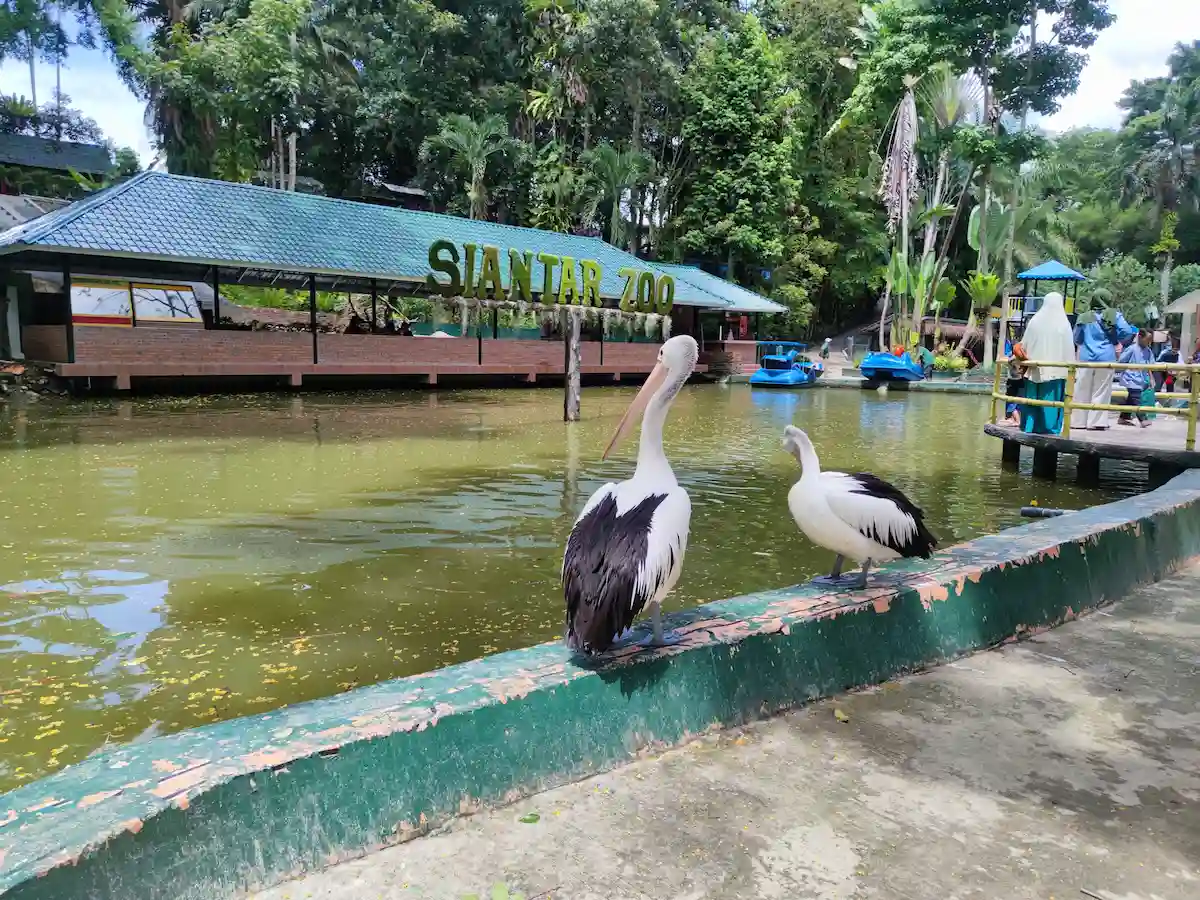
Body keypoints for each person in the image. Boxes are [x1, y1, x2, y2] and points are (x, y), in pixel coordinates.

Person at [1072, 304, 1137, 430]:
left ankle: (1079, 422)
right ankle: (1096, 422)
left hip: (1086, 358)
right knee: (1101, 391)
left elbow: (1077, 338)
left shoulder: (1083, 317)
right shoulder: (1114, 315)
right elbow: (1127, 331)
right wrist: (1116, 338)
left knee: (1082, 389)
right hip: (1106, 358)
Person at [1019, 291, 1075, 435]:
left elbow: (1024, 345)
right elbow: (1069, 350)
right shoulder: (1064, 324)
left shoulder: (1035, 321)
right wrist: (1073, 372)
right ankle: (1050, 430)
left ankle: (1029, 427)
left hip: (1034, 369)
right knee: (1052, 403)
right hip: (1057, 372)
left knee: (1032, 401)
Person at [1117, 329, 1154, 427]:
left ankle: (1123, 417)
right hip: (1131, 378)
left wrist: (1151, 378)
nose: (1148, 342)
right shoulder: (1132, 349)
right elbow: (1121, 360)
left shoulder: (1148, 351)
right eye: (1147, 339)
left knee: (1131, 399)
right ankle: (1143, 419)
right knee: (1136, 398)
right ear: (1140, 337)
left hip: (1140, 378)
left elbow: (1150, 365)